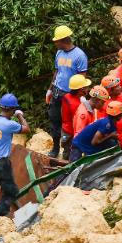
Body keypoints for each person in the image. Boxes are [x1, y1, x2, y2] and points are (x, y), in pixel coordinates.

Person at [46, 25, 88, 158]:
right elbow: (57, 71)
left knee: (69, 124)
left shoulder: (80, 56)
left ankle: (68, 151)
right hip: (57, 92)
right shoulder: (59, 53)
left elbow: (82, 77)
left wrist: (80, 95)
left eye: (56, 41)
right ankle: (55, 148)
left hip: (71, 95)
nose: (55, 43)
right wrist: (50, 89)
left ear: (63, 40)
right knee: (54, 120)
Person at [60, 74, 93, 160]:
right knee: (71, 154)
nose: (88, 88)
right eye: (86, 87)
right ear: (81, 89)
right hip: (71, 132)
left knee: (67, 150)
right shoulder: (77, 105)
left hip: (65, 129)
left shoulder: (67, 97)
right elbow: (79, 123)